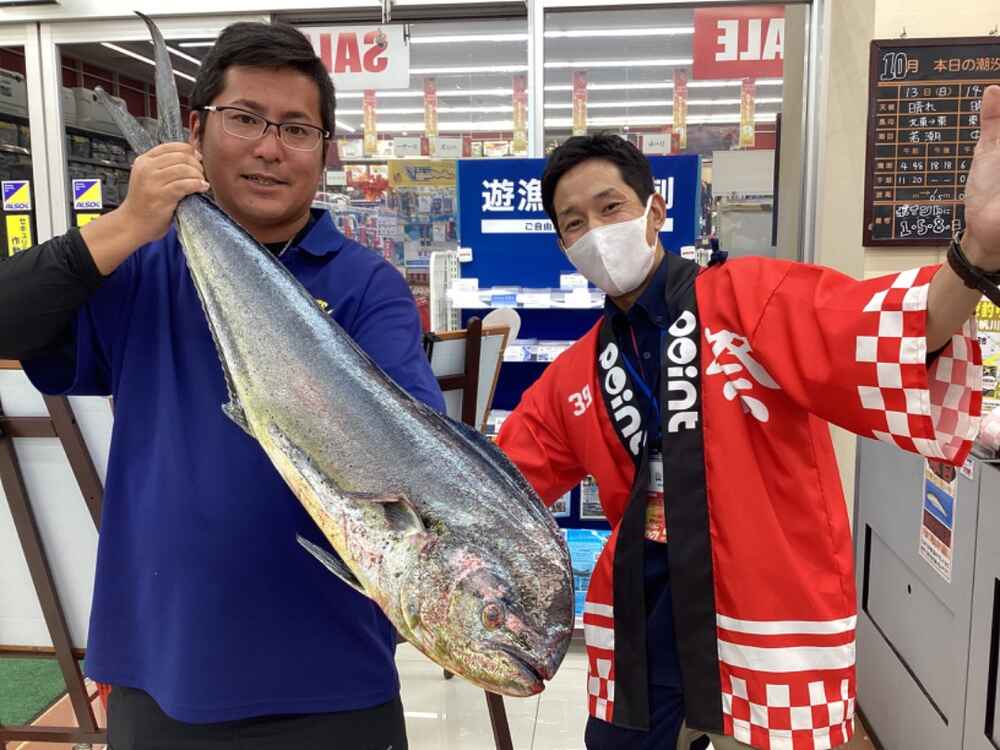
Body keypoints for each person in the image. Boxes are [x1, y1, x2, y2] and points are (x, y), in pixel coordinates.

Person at [497, 86, 1000, 750]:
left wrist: (975, 256)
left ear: (655, 210)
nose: (594, 232)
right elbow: (493, 486)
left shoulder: (750, 300)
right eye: (573, 223)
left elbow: (900, 329)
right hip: (644, 619)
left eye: (609, 207)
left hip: (763, 619)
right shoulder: (575, 375)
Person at [0, 21, 443, 750]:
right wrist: (126, 225)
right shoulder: (140, 269)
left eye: (296, 129)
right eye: (245, 118)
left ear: (323, 152)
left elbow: (412, 458)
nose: (270, 147)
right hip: (160, 672)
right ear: (197, 131)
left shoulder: (368, 286)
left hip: (335, 678)